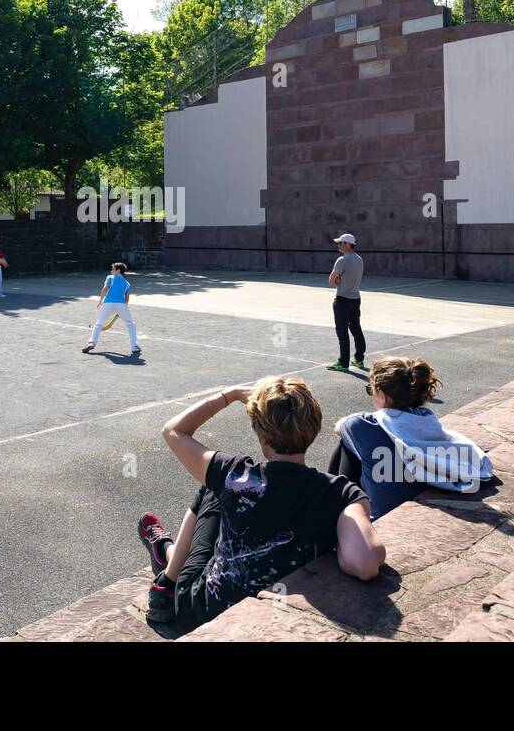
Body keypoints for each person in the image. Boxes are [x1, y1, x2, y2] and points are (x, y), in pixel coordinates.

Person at [135, 375, 385, 634]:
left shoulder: (234, 473)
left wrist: (228, 395)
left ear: (262, 439)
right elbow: (365, 564)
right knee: (216, 488)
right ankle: (165, 553)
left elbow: (173, 430)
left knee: (211, 489)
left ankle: (167, 573)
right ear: (314, 428)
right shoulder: (340, 493)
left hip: (202, 613)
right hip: (273, 622)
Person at [328, 357, 491, 519]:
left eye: (370, 389)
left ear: (383, 396)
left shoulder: (361, 425)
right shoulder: (428, 420)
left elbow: (339, 427)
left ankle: (334, 512)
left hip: (380, 518)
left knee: (346, 444)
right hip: (420, 500)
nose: (370, 394)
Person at [327, 233, 366, 373]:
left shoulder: (342, 260)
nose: (338, 245)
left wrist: (339, 280)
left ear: (348, 244)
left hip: (342, 299)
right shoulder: (359, 259)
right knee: (356, 328)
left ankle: (343, 362)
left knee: (342, 331)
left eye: (341, 243)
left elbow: (332, 280)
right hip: (356, 299)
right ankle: (359, 359)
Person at [82, 262, 140, 355]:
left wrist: (100, 301)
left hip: (107, 304)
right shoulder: (127, 283)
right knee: (130, 324)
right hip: (121, 305)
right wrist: (123, 308)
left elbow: (104, 289)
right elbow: (127, 298)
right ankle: (134, 346)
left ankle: (92, 342)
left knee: (99, 324)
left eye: (113, 269)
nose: (111, 270)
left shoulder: (110, 277)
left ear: (118, 270)